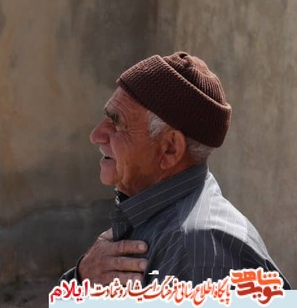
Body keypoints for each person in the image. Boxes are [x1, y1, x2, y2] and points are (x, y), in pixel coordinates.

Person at [61, 52, 290, 288]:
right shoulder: (170, 228)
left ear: (170, 148)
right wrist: (81, 278)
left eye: (117, 123)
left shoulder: (199, 252)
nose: (96, 135)